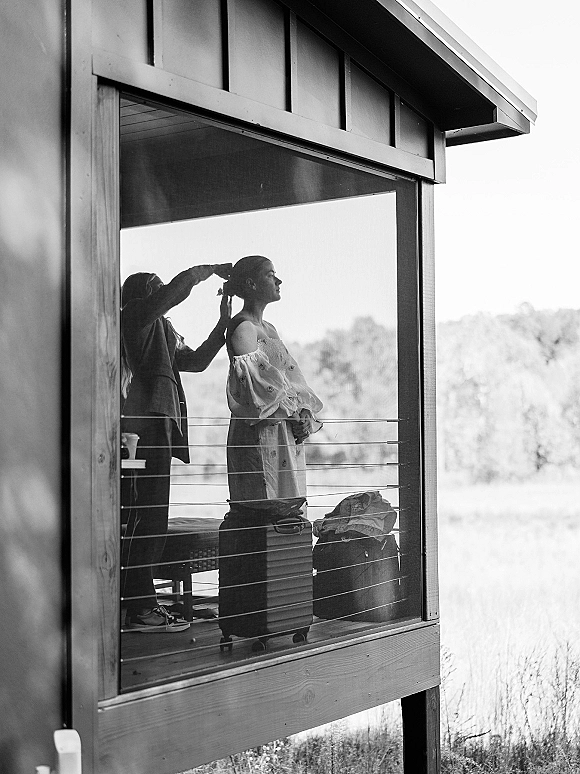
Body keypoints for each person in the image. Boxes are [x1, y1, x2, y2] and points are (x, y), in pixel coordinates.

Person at [121, 263, 231, 632]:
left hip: (159, 428)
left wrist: (223, 323)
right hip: (138, 432)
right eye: (154, 287)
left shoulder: (164, 330)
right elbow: (173, 292)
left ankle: (141, 606)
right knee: (141, 517)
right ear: (140, 296)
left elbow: (197, 362)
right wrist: (207, 270)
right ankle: (139, 610)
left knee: (152, 517)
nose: (161, 291)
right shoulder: (134, 317)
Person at [222, 255, 323, 507]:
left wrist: (303, 415)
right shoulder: (243, 328)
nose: (278, 280)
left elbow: (290, 380)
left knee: (288, 514)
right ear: (251, 284)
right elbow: (255, 392)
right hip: (261, 435)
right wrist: (291, 416)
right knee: (265, 511)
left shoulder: (270, 328)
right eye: (270, 274)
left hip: (284, 435)